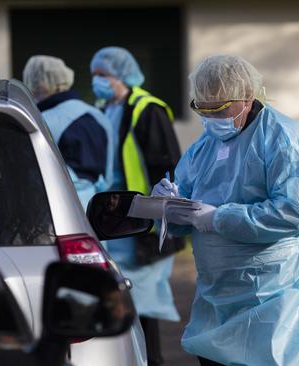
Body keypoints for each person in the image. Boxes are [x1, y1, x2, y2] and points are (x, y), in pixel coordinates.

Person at [151, 54, 299, 366]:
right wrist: (169, 206)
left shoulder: (285, 138)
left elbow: (294, 212)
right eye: (202, 108)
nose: (211, 117)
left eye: (219, 108)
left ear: (247, 97)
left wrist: (219, 218)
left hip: (273, 296)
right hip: (217, 296)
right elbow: (189, 197)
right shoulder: (206, 144)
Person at [90, 46, 184, 366]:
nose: (97, 81)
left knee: (143, 300)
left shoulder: (146, 109)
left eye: (103, 75)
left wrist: (161, 210)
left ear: (121, 75)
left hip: (144, 218)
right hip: (118, 216)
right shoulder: (105, 108)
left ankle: (151, 359)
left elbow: (167, 165)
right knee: (122, 296)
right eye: (95, 76)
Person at [23, 55, 113, 209]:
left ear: (42, 83)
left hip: (60, 213)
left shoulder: (43, 120)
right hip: (98, 211)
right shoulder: (97, 115)